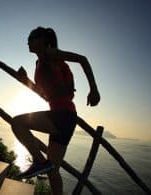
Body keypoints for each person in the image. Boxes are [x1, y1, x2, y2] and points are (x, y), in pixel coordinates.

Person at [12, 26, 100, 195]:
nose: (28, 40)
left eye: (32, 36)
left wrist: (94, 89)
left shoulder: (50, 54)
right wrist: (24, 81)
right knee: (53, 172)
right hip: (66, 118)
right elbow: (44, 94)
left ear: (43, 40)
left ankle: (39, 162)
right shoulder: (40, 62)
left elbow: (82, 59)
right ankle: (44, 166)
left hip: (62, 115)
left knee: (17, 123)